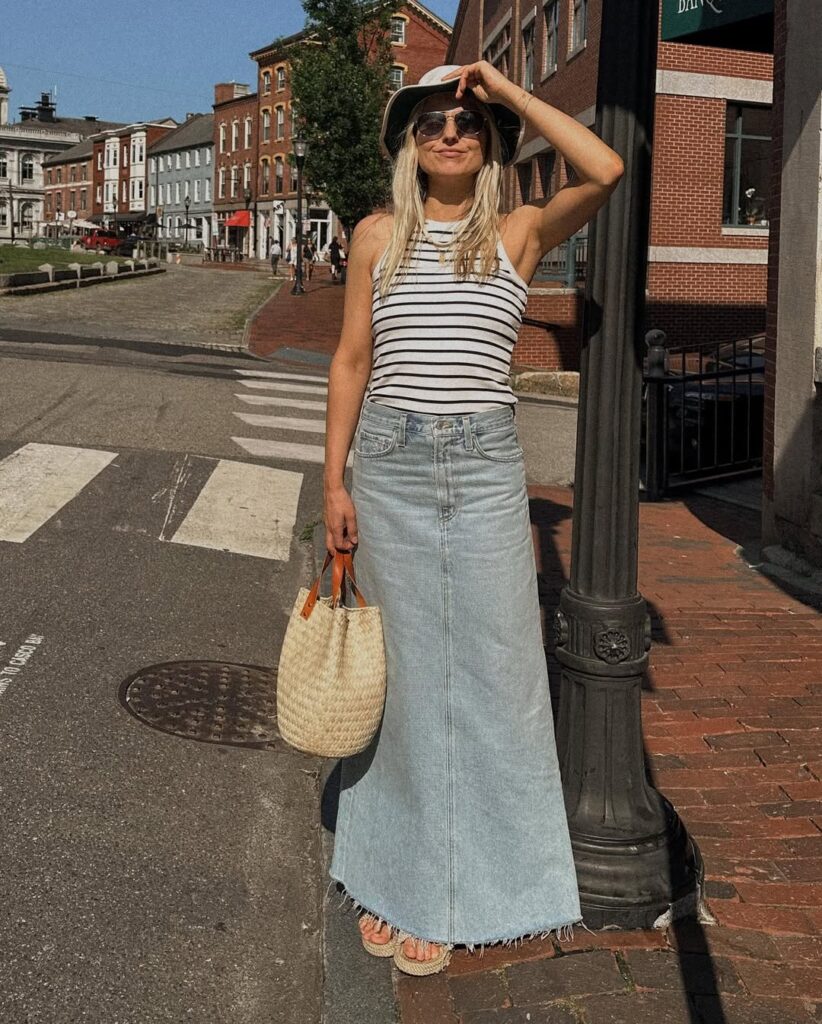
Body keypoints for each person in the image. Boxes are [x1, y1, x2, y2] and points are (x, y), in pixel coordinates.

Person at [322, 62, 623, 976]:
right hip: (391, 467)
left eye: (464, 122)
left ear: (488, 141)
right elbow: (350, 360)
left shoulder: (518, 231)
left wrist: (505, 89)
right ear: (408, 144)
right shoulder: (376, 235)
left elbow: (605, 169)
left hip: (487, 470)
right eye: (431, 123)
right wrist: (333, 483)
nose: (449, 134)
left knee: (497, 678)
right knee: (408, 684)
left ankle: (484, 889)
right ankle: (398, 879)